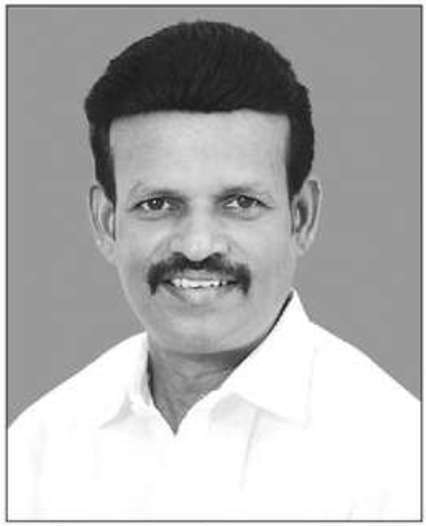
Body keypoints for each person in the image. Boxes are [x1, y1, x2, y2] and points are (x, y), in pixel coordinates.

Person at [8, 20, 419, 520]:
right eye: (158, 204)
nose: (198, 245)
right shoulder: (37, 450)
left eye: (241, 203)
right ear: (106, 222)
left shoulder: (399, 456)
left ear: (301, 217)